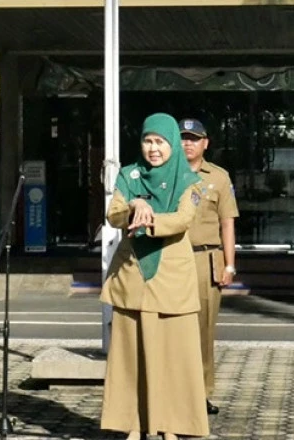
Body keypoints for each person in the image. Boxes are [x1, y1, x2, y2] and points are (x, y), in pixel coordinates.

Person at [100, 113, 209, 440]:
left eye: (160, 142)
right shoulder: (129, 175)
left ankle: (171, 426)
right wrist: (134, 205)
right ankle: (134, 424)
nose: (153, 148)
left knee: (174, 358)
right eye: (148, 141)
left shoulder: (189, 182)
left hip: (172, 281)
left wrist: (150, 220)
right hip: (133, 278)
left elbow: (182, 220)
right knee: (131, 357)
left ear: (173, 144)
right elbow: (114, 214)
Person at [179, 118, 240, 415]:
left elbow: (227, 222)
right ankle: (173, 394)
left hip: (206, 260)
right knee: (172, 331)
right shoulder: (165, 175)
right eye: (182, 138)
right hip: (173, 260)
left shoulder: (218, 177)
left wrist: (229, 265)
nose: (187, 143)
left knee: (203, 331)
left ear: (206, 143)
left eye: (194, 138)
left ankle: (201, 394)